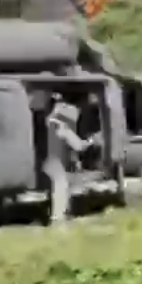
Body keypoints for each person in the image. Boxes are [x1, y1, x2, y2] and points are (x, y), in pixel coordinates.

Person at [44, 93, 97, 224]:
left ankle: (58, 213)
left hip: (46, 162)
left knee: (59, 187)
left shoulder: (48, 124)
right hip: (57, 164)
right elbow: (79, 146)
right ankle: (58, 217)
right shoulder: (63, 129)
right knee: (61, 187)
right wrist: (91, 141)